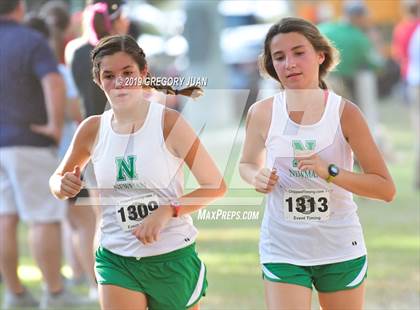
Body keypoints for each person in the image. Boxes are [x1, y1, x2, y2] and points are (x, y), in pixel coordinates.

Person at [50, 34, 227, 310]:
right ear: (98, 80)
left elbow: (216, 185)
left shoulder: (168, 122)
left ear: (143, 73)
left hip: (171, 256)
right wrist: (63, 185)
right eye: (109, 75)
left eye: (127, 73)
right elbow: (56, 180)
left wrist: (169, 209)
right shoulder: (92, 129)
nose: (119, 82)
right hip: (116, 258)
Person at [239, 17, 396, 310]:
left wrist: (330, 172)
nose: (289, 63)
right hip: (282, 248)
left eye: (299, 53)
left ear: (320, 56)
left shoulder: (345, 113)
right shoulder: (261, 113)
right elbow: (246, 163)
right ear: (271, 65)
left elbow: (385, 189)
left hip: (339, 247)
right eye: (279, 57)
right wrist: (255, 176)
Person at [0, 0, 84, 308]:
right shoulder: (31, 40)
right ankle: (55, 293)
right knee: (44, 219)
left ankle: (15, 294)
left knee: (4, 220)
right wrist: (53, 125)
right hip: (29, 141)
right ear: (19, 7)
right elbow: (53, 81)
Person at [38, 0, 98, 298]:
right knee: (86, 221)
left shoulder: (30, 70)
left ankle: (76, 274)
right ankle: (92, 283)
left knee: (67, 220)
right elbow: (76, 111)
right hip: (68, 154)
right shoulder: (58, 72)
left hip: (44, 153)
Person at [318, 1, 383, 102]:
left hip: (319, 83)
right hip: (343, 86)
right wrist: (376, 42)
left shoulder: (323, 28)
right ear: (357, 17)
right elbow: (377, 65)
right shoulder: (360, 38)